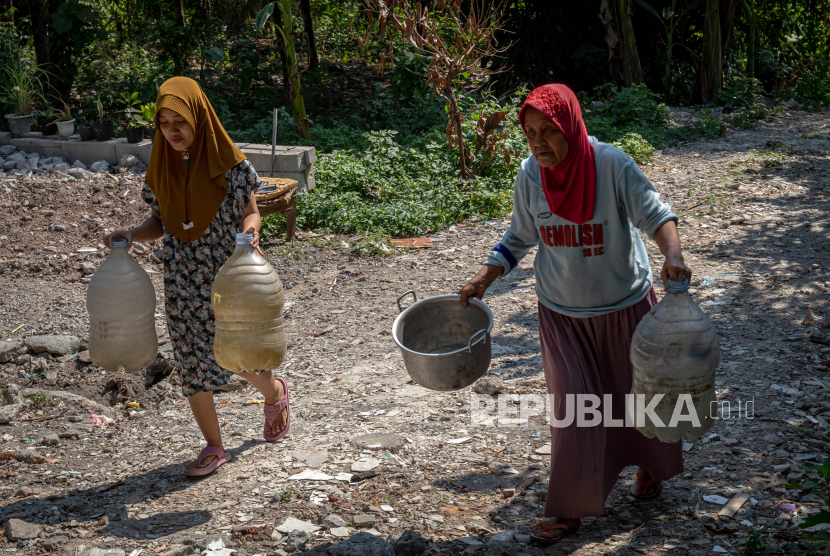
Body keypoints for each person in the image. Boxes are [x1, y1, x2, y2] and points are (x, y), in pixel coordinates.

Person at [458, 84, 691, 544]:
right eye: (530, 133)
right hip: (562, 314)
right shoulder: (531, 176)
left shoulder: (610, 164)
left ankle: (650, 466)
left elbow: (656, 214)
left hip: (626, 307)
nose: (540, 142)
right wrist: (484, 277)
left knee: (637, 398)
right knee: (576, 409)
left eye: (549, 130)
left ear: (570, 125)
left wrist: (674, 254)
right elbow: (518, 236)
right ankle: (568, 508)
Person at [104, 77, 290, 477]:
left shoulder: (233, 166)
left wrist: (253, 231)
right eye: (164, 122)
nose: (172, 131)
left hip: (230, 273)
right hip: (182, 277)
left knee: (237, 352)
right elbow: (160, 220)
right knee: (192, 360)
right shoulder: (159, 168)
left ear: (199, 119)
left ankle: (274, 392)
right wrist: (134, 235)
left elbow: (251, 211)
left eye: (180, 121)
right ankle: (214, 446)